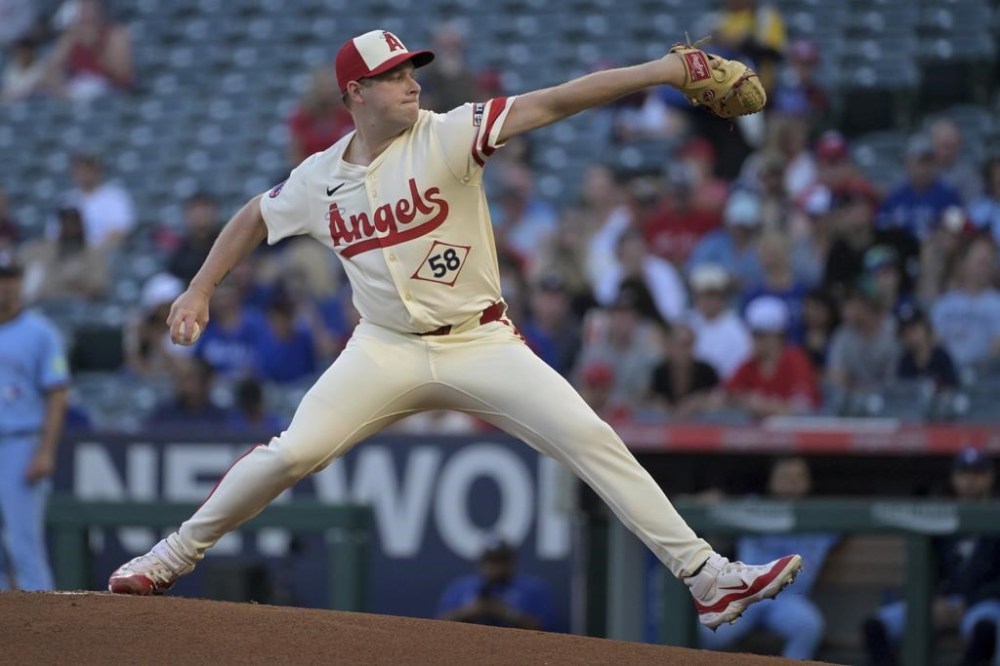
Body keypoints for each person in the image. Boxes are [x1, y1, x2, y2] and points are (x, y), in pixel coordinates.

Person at [107, 29, 802, 628]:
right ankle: (169, 557)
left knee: (592, 438)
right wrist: (201, 286)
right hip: (383, 349)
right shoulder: (318, 179)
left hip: (480, 340)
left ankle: (708, 578)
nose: (412, 83)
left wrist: (665, 70)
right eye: (394, 75)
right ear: (355, 94)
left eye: (413, 71)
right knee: (291, 455)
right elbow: (255, 216)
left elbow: (555, 100)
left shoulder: (448, 133)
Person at [863, 447, 1000, 666]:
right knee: (875, 626)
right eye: (964, 474)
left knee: (986, 629)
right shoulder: (940, 516)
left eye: (977, 474)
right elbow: (925, 568)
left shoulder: (996, 515)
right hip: (941, 602)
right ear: (954, 478)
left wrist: (968, 602)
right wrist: (932, 599)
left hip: (984, 603)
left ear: (990, 477)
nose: (970, 481)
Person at [701, 457, 838, 660]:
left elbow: (867, 513)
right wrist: (710, 501)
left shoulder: (821, 518)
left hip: (789, 600)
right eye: (784, 476)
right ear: (771, 481)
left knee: (809, 626)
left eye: (798, 477)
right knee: (709, 629)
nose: (791, 483)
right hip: (746, 594)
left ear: (808, 482)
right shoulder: (750, 507)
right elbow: (710, 505)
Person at [0, 254, 70, 591]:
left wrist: (45, 451)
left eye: (11, 277)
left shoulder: (40, 332)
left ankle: (44, 628)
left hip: (20, 440)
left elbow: (57, 394)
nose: (6, 285)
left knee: (22, 541)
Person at [725, 295, 820, 419]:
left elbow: (804, 408)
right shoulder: (750, 364)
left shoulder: (795, 360)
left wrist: (762, 405)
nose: (755, 341)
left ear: (778, 336)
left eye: (761, 335)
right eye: (753, 335)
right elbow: (726, 396)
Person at [437, 538, 555, 631]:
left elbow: (546, 627)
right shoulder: (462, 587)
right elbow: (439, 622)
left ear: (511, 563)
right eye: (490, 562)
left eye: (500, 562)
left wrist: (505, 612)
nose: (495, 567)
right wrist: (470, 611)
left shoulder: (533, 589)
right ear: (481, 563)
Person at [931, 236, 1000, 370]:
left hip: (984, 380)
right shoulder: (944, 304)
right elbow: (935, 344)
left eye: (988, 263)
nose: (985, 268)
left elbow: (996, 350)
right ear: (964, 262)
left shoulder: (997, 304)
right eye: (980, 262)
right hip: (948, 377)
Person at [44, 0, 133, 102]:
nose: (86, 12)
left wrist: (94, 46)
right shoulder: (72, 34)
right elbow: (51, 68)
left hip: (112, 94)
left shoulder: (116, 34)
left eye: (91, 7)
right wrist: (63, 92)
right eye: (83, 7)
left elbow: (121, 75)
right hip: (77, 93)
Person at [19, 206, 108, 303]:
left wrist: (73, 285)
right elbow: (17, 266)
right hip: (39, 303)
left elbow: (98, 289)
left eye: (74, 223)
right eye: (65, 222)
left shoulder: (93, 254)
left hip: (74, 307)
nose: (70, 227)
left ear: (81, 225)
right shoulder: (41, 249)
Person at [64, 152, 136, 250]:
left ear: (96, 171)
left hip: (105, 255)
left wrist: (92, 253)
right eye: (78, 170)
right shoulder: (67, 201)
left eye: (86, 169)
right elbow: (55, 236)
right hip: (72, 257)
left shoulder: (114, 197)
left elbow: (119, 233)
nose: (82, 174)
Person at [287, 66, 355, 168]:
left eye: (329, 86)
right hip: (308, 174)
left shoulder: (349, 114)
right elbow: (295, 155)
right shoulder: (301, 118)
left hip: (344, 171)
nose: (327, 91)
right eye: (322, 87)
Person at [895, 304, 958, 390]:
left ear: (925, 328)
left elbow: (952, 387)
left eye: (914, 329)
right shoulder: (904, 362)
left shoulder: (942, 358)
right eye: (906, 332)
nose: (911, 336)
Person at [167, 192, 222, 284]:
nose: (201, 213)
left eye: (205, 207)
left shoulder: (227, 242)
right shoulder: (180, 254)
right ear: (186, 215)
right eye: (196, 208)